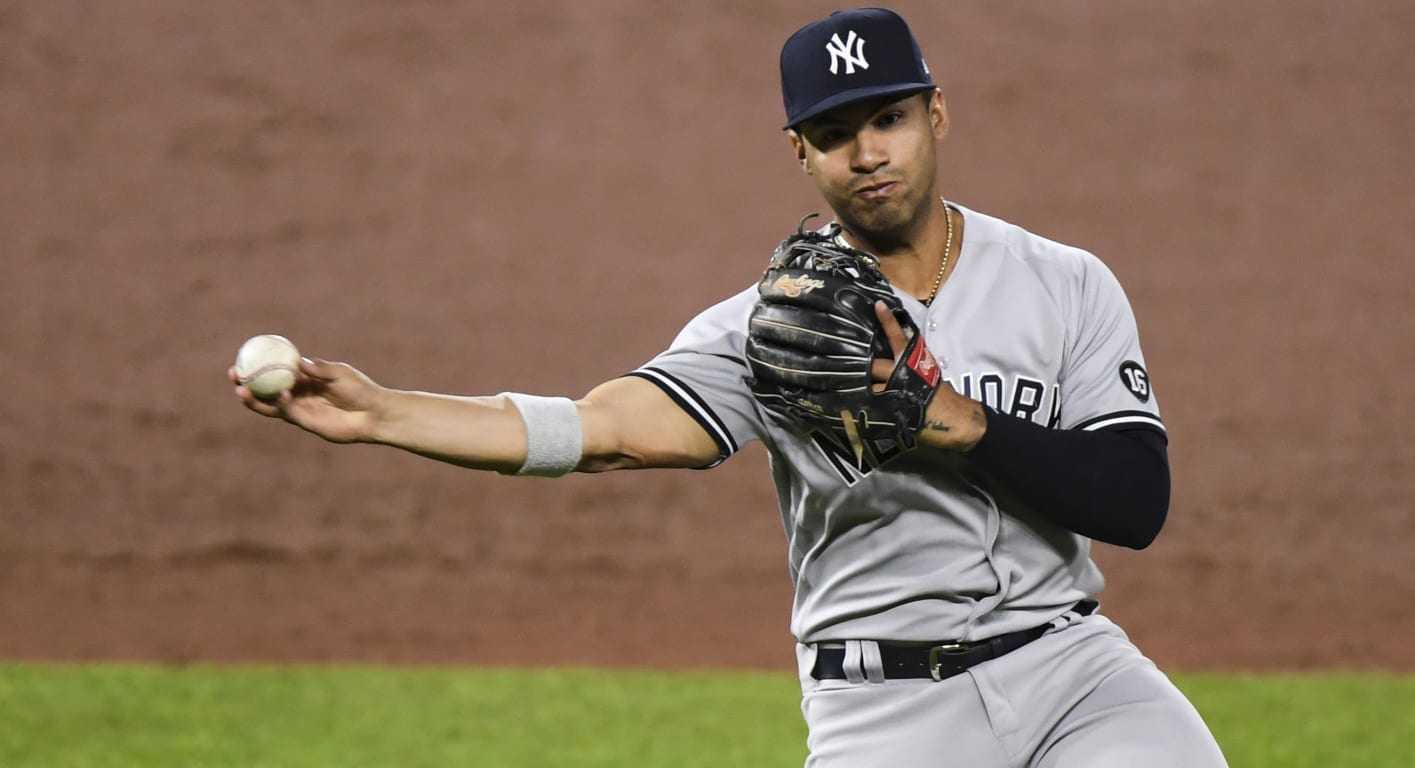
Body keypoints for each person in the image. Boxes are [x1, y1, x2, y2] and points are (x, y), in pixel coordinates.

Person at [232, 8, 1227, 767]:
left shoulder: (1065, 281)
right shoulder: (774, 332)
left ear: (937, 115)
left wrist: (950, 423)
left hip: (1073, 673)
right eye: (836, 133)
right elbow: (606, 427)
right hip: (887, 712)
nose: (869, 152)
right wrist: (384, 413)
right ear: (801, 153)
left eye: (890, 118)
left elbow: (1136, 502)